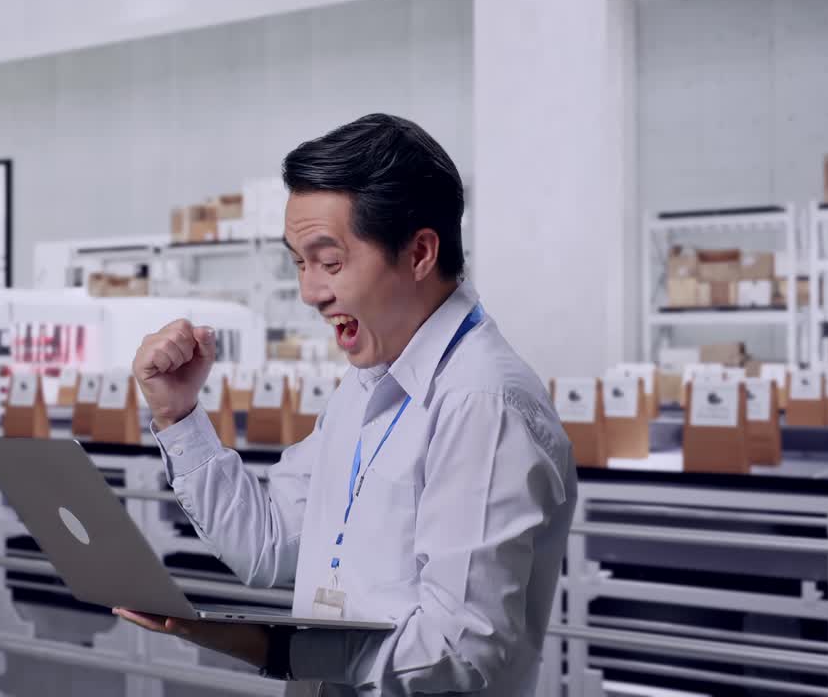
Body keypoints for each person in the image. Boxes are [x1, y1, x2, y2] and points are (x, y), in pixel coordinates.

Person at [117, 113, 577, 696]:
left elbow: (462, 649)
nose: (310, 292)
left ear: (419, 253)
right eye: (299, 263)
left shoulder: (482, 404)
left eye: (330, 262)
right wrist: (178, 415)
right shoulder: (367, 384)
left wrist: (277, 648)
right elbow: (269, 546)